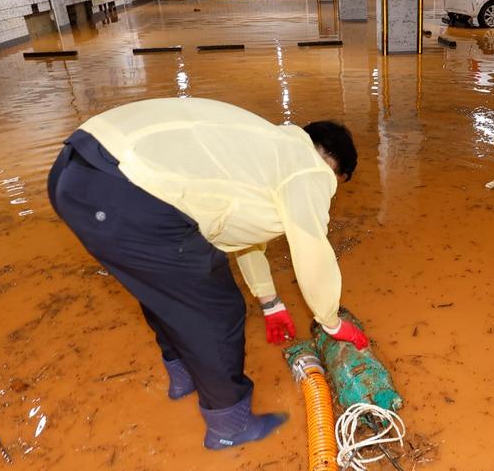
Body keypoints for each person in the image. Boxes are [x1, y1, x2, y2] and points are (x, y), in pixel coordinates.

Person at [46, 97, 368, 450]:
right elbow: (311, 245)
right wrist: (330, 319)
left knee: (168, 290)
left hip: (77, 167)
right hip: (123, 187)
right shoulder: (309, 170)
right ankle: (229, 424)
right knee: (217, 310)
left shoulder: (268, 148)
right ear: (336, 171)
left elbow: (246, 233)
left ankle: (183, 377)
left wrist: (271, 302)